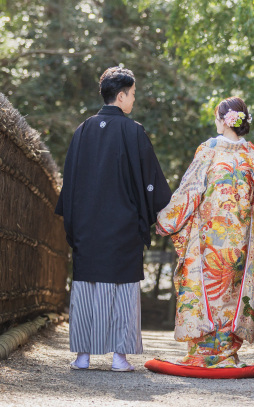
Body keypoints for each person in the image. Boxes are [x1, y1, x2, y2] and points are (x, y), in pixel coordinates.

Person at [55, 66, 172, 371]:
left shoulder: (82, 130)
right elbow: (151, 182)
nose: (133, 99)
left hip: (87, 225)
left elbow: (70, 181)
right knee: (122, 288)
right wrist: (156, 212)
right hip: (123, 226)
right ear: (121, 96)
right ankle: (119, 357)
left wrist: (75, 222)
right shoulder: (133, 131)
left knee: (86, 286)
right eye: (132, 94)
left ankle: (82, 356)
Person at [156, 97, 254, 368]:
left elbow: (190, 190)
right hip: (240, 237)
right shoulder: (252, 153)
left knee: (207, 288)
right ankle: (226, 353)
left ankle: (204, 352)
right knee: (231, 290)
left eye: (217, 117)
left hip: (209, 236)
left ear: (224, 120)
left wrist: (165, 219)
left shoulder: (209, 149)